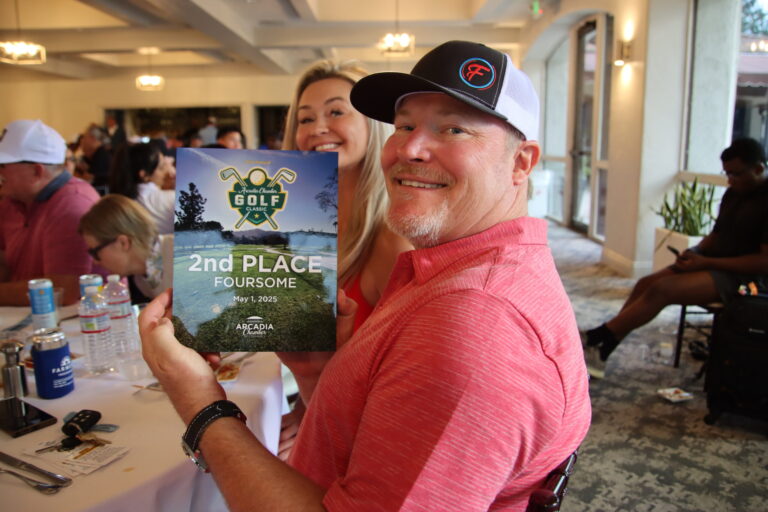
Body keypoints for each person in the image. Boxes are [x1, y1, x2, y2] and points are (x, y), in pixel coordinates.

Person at [138, 41, 591, 510]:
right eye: (405, 125)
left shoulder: (476, 326)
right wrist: (314, 373)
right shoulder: (450, 267)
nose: (410, 148)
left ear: (521, 162)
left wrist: (200, 404)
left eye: (454, 129)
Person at [277, 59, 413, 458]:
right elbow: (321, 356)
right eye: (306, 119)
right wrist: (304, 407)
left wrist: (312, 417)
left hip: (368, 443)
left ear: (372, 125)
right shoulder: (300, 226)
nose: (318, 128)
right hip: (319, 408)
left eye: (336, 112)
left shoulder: (393, 237)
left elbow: (398, 385)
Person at [583, 137, 768, 378]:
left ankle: (597, 337)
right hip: (713, 263)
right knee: (645, 284)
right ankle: (605, 347)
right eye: (727, 174)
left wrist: (708, 262)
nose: (730, 180)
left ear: (758, 169)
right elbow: (717, 234)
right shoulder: (734, 193)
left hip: (747, 279)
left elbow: (763, 261)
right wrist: (696, 252)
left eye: (736, 174)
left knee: (663, 289)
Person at [0, 119, 100, 306]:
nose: (0, 173)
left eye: (3, 165)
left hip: (75, 326)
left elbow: (62, 292)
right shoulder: (12, 201)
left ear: (37, 171)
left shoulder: (73, 206)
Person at [79, 194, 173, 300]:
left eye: (95, 252)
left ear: (123, 243)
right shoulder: (141, 279)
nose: (95, 262)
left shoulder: (180, 254)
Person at [108, 143, 176, 235]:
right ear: (144, 175)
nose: (166, 170)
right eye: (161, 167)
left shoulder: (118, 204)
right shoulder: (170, 198)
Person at [77, 123, 112, 191]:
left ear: (92, 138)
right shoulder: (99, 154)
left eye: (85, 137)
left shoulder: (101, 155)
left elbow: (89, 180)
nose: (82, 141)